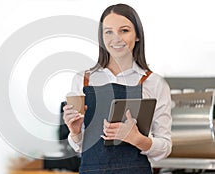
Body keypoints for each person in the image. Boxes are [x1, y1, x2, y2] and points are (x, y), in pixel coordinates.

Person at [63, 3, 172, 174]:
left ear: (137, 36)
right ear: (102, 37)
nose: (116, 38)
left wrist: (137, 139)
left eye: (124, 30)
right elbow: (79, 147)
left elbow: (165, 147)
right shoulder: (83, 80)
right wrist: (75, 132)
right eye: (108, 32)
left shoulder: (154, 82)